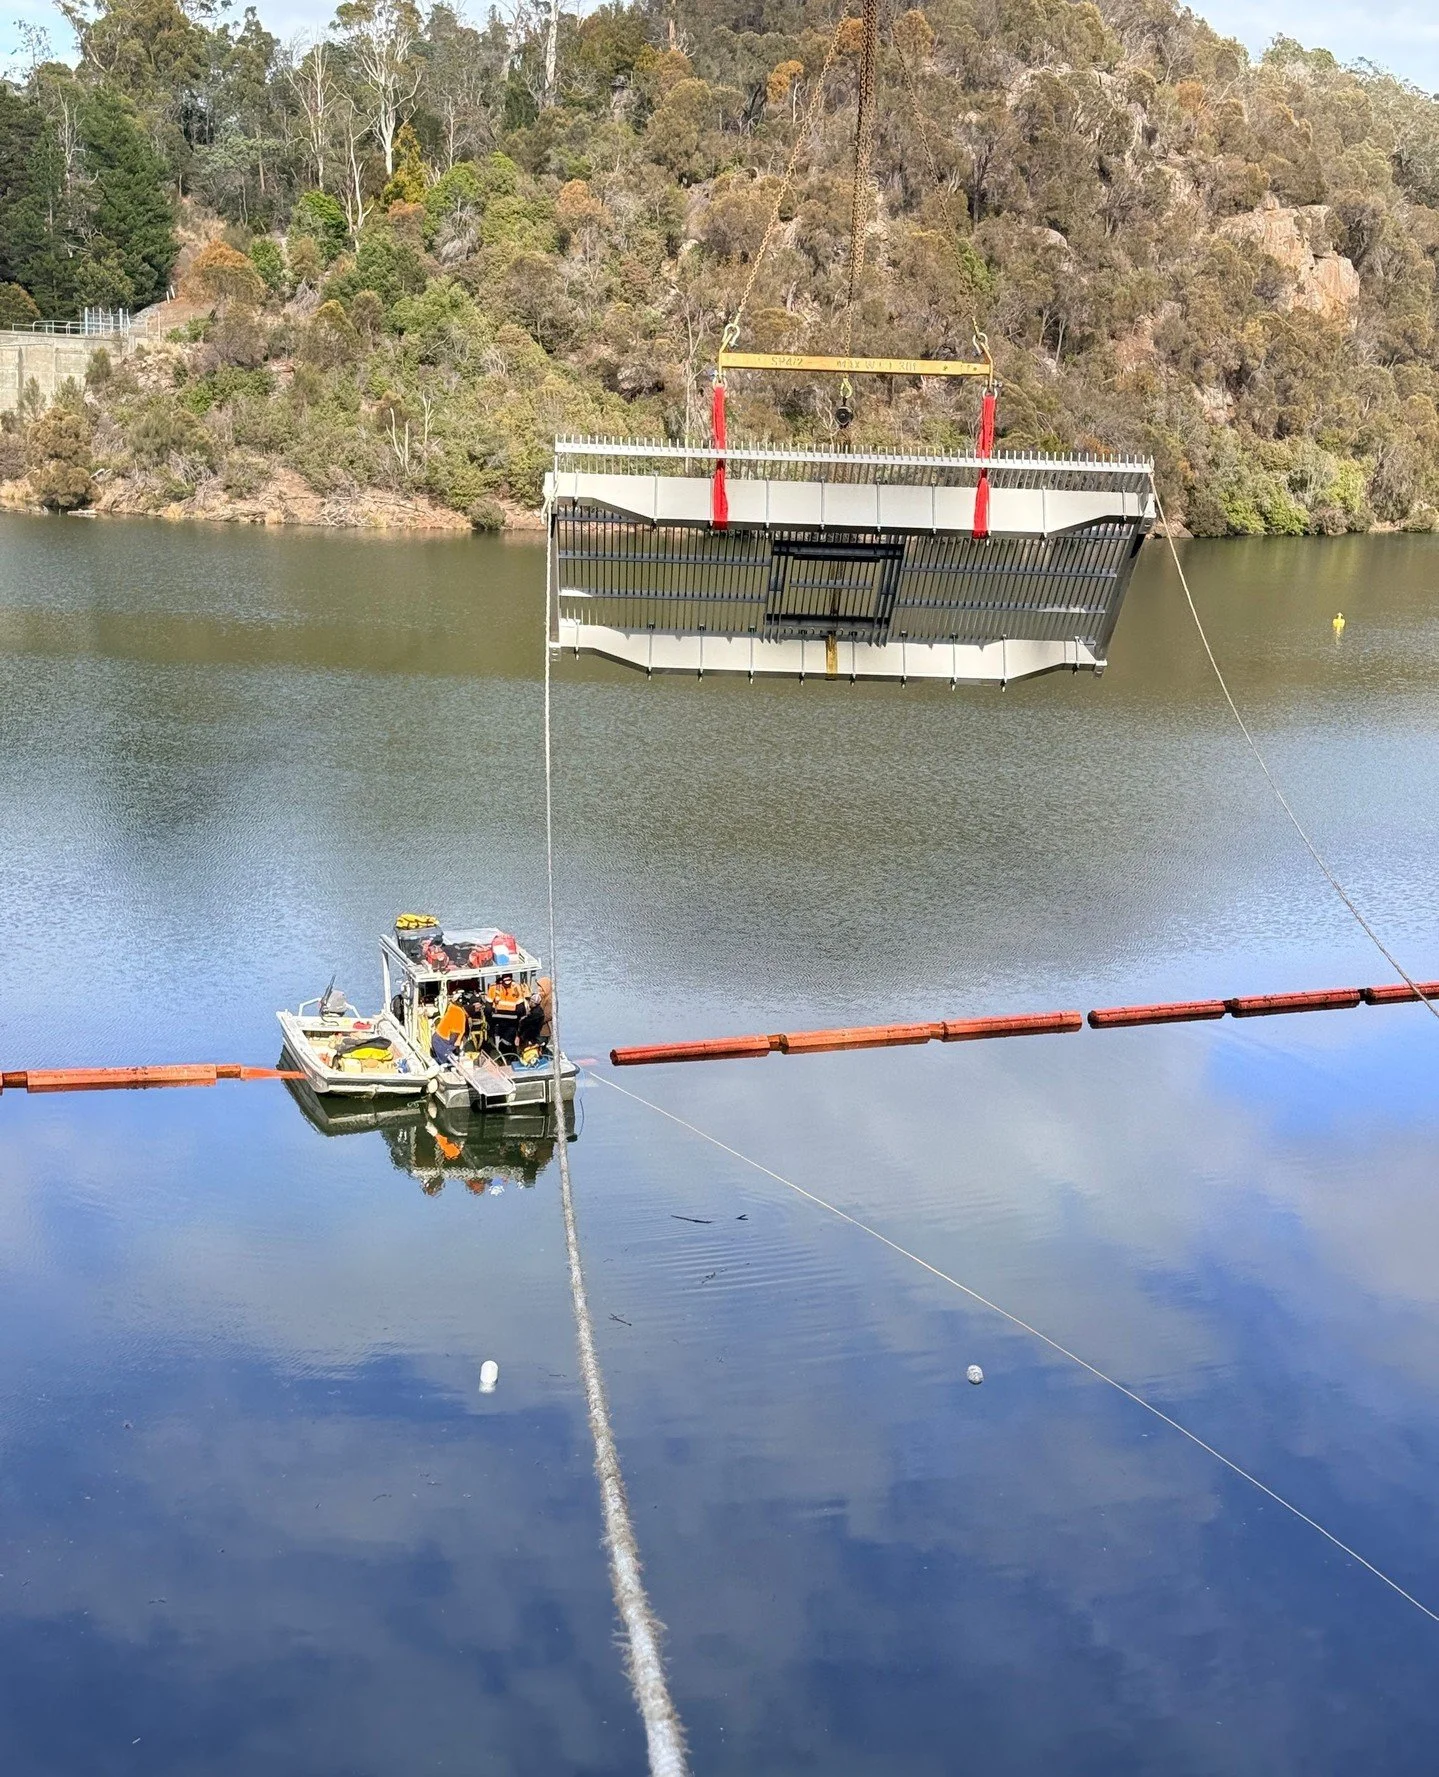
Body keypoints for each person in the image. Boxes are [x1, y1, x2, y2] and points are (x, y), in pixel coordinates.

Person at [431, 997, 467, 1063]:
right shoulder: (459, 1011)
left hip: (447, 1036)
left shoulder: (453, 1009)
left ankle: (446, 1058)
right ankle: (449, 1056)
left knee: (435, 1040)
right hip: (453, 1036)